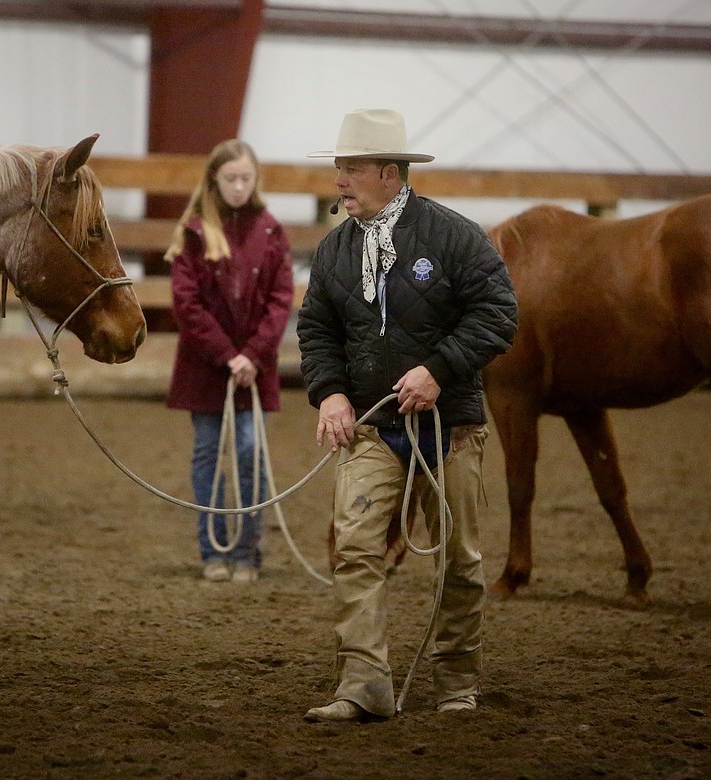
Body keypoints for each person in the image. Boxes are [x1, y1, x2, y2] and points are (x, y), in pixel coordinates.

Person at [297, 109, 518, 721]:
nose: (339, 179)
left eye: (351, 168)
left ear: (389, 174)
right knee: (355, 551)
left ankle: (456, 681)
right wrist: (331, 394)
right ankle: (362, 684)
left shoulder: (453, 236)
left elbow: (498, 313)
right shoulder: (335, 250)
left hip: (450, 429)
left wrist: (438, 370)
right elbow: (316, 329)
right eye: (338, 167)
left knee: (459, 559)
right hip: (372, 428)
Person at [165, 139, 295, 584]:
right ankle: (213, 550)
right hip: (208, 367)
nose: (239, 187)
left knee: (249, 452)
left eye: (246, 178)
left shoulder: (273, 233)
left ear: (255, 180)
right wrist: (229, 356)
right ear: (215, 181)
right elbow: (187, 304)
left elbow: (280, 302)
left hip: (252, 371)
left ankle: (246, 552)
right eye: (230, 179)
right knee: (207, 454)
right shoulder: (196, 232)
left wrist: (253, 356)